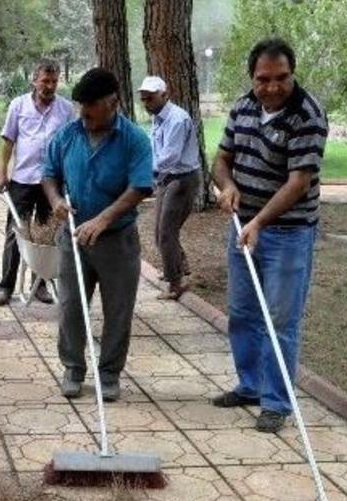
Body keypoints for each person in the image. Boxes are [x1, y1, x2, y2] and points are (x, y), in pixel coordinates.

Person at [210, 38, 327, 434]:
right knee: (243, 313)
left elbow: (298, 183)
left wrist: (258, 221)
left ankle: (277, 402)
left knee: (280, 321)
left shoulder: (307, 116)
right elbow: (221, 159)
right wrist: (226, 186)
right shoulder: (242, 107)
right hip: (244, 228)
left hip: (288, 234)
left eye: (282, 78)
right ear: (252, 77)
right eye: (263, 79)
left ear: (292, 74)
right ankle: (250, 386)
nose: (272, 87)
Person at [42, 68, 153, 400]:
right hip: (73, 237)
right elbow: (49, 175)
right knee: (71, 307)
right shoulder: (67, 135)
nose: (84, 114)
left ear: (113, 102)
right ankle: (73, 368)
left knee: (118, 310)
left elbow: (141, 186)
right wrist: (56, 200)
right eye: (81, 107)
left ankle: (109, 374)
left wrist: (104, 219)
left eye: (91, 106)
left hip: (117, 240)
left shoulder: (134, 139)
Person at [0, 59, 75, 306]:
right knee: (15, 232)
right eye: (45, 81)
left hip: (52, 182)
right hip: (23, 180)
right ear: (34, 80)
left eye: (53, 81)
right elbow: (8, 142)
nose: (49, 86)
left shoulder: (66, 109)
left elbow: (70, 146)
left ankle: (38, 286)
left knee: (46, 235)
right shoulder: (18, 106)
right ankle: (5, 286)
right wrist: (1, 173)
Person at [138, 75, 201, 300]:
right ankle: (179, 266)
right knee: (159, 234)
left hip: (182, 179)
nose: (146, 103)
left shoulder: (177, 119)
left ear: (165, 95)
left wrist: (142, 170)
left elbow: (170, 158)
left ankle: (175, 284)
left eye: (150, 99)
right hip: (167, 178)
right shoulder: (158, 117)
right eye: (144, 99)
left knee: (166, 234)